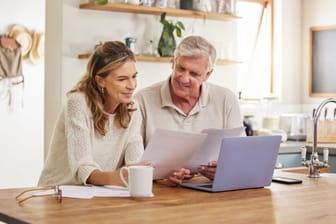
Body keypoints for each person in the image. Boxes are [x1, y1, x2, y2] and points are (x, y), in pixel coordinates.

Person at [135, 35, 244, 181]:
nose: (184, 78)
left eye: (193, 74)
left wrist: (225, 169)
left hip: (210, 192)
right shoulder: (142, 100)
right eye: (181, 69)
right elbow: (133, 161)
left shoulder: (226, 99)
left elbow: (240, 156)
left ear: (208, 74)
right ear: (173, 63)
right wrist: (160, 177)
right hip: (158, 192)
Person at [38, 41, 147, 187]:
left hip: (99, 194)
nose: (132, 85)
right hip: (57, 193)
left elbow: (136, 163)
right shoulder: (78, 104)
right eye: (122, 79)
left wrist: (153, 173)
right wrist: (120, 177)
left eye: (134, 76)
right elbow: (83, 168)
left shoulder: (132, 109)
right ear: (100, 81)